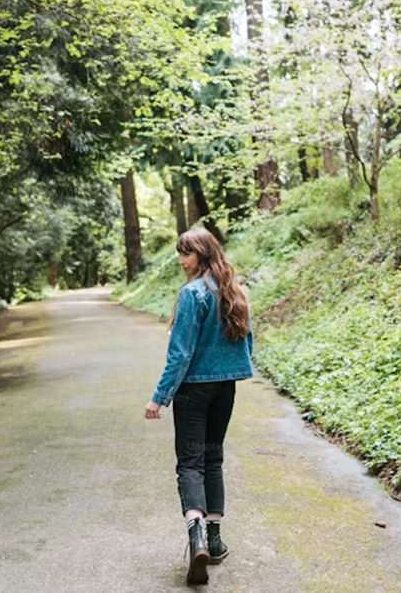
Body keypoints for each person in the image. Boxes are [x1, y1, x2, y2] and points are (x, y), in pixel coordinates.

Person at [144, 227, 254, 586]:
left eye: (186, 254)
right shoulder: (234, 290)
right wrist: (230, 371)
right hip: (225, 388)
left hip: (193, 391)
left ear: (203, 254)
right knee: (213, 458)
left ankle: (197, 541)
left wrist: (158, 397)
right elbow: (246, 342)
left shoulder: (193, 294)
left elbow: (180, 355)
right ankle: (216, 540)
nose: (181, 260)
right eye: (180, 253)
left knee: (191, 464)